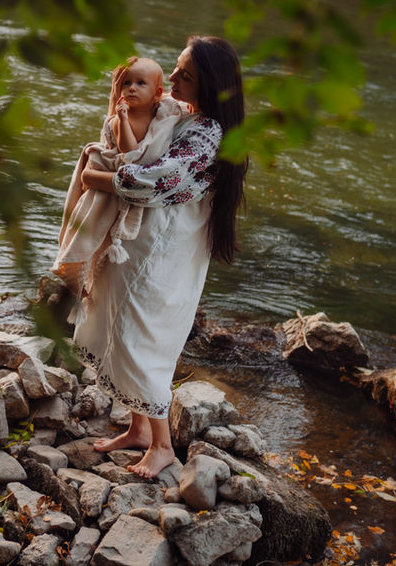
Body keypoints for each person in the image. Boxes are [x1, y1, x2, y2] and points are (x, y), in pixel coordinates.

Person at [72, 36, 249, 478]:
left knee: (141, 338)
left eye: (185, 75)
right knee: (119, 322)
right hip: (141, 243)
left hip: (164, 252)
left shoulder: (209, 133)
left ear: (209, 84)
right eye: (175, 68)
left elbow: (157, 182)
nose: (172, 79)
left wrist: (95, 176)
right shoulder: (186, 113)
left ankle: (163, 445)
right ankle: (137, 428)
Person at [52, 57, 183, 309]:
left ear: (157, 93)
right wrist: (121, 118)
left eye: (140, 83)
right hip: (116, 174)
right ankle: (78, 280)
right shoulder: (120, 118)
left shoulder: (164, 114)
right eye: (126, 83)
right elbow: (129, 152)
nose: (131, 88)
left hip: (138, 188)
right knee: (91, 228)